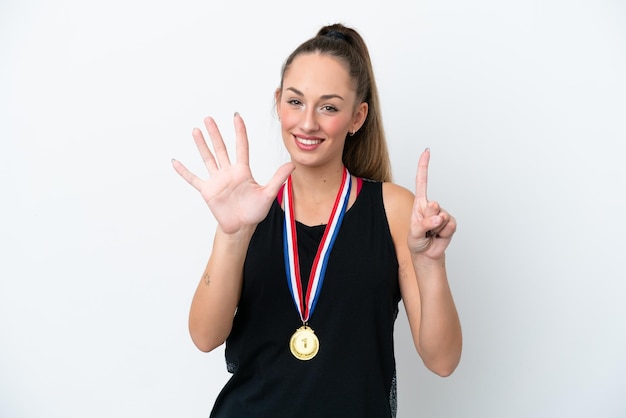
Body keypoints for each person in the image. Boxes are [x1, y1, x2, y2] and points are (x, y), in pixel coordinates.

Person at [172, 23, 462, 418]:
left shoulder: (393, 210)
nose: (307, 123)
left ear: (357, 117)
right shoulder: (249, 207)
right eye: (295, 102)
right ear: (278, 103)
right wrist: (232, 234)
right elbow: (205, 337)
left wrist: (431, 263)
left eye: (328, 107)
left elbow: (441, 360)